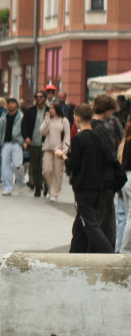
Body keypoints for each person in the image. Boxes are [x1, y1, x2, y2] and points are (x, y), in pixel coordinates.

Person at [64, 104, 116, 253]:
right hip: (97, 187)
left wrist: (63, 156)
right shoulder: (98, 137)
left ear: (77, 118)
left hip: (83, 187)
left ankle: (110, 254)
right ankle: (74, 255)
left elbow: (73, 165)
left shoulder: (79, 139)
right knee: (80, 226)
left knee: (91, 226)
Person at [91, 93, 122, 247]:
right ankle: (106, 254)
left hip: (93, 182)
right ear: (107, 110)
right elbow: (110, 155)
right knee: (105, 225)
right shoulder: (103, 128)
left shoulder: (89, 125)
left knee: (93, 222)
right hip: (104, 182)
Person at [40, 101, 71, 202]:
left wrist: (65, 150)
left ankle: (54, 192)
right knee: (46, 170)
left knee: (58, 171)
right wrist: (46, 119)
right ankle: (51, 188)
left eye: (53, 108)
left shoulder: (64, 120)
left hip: (59, 149)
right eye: (50, 108)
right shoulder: (49, 120)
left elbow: (67, 136)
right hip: (48, 148)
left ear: (57, 109)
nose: (50, 110)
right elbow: (42, 131)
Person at [0, 97, 24, 196]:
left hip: (16, 143)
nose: (10, 105)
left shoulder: (21, 117)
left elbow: (25, 129)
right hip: (6, 143)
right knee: (5, 166)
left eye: (13, 103)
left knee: (17, 165)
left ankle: (20, 181)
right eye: (9, 103)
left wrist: (22, 141)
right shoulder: (3, 118)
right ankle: (7, 187)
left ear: (16, 105)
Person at [21, 90, 48, 197]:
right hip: (33, 143)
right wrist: (26, 137)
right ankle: (37, 187)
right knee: (36, 167)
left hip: (46, 143)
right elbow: (24, 126)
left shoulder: (50, 111)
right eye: (37, 97)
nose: (39, 99)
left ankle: (46, 187)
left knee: (45, 167)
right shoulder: (30, 111)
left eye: (41, 97)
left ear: (44, 98)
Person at [117, 119, 131, 253]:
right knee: (129, 217)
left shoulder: (126, 141)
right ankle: (125, 250)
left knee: (125, 216)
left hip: (125, 178)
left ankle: (120, 247)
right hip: (129, 179)